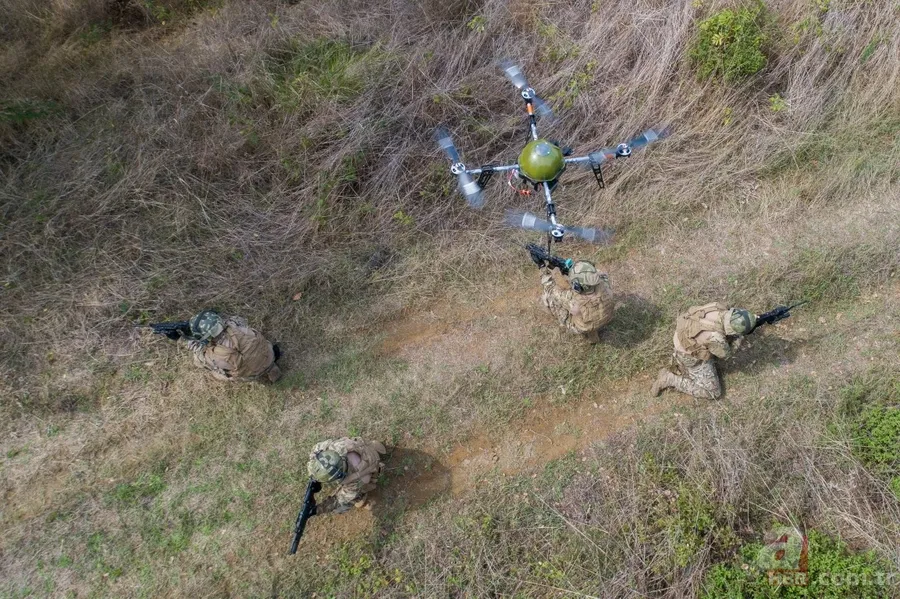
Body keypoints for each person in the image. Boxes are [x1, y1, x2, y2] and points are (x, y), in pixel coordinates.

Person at [651, 303, 757, 399]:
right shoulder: (716, 338)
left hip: (682, 334)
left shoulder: (720, 307)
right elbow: (725, 354)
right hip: (688, 355)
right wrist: (739, 339)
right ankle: (670, 379)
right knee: (713, 392)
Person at [186, 310, 282, 383]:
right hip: (269, 354)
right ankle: (272, 369)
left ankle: (261, 372)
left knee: (200, 361)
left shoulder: (214, 354)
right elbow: (241, 321)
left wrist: (197, 348)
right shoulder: (236, 325)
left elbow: (209, 363)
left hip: (252, 374)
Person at [540, 260, 614, 343]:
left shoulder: (574, 300)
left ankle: (591, 334)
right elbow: (599, 274)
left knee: (547, 298)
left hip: (585, 326)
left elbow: (551, 289)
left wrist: (544, 270)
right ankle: (593, 328)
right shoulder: (605, 284)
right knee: (587, 314)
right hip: (606, 318)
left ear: (578, 286)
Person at [307, 437, 388, 514]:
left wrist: (316, 510)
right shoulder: (337, 446)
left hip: (370, 466)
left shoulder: (355, 480)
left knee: (340, 508)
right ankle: (373, 446)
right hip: (363, 448)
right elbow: (315, 451)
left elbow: (339, 500)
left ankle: (361, 496)